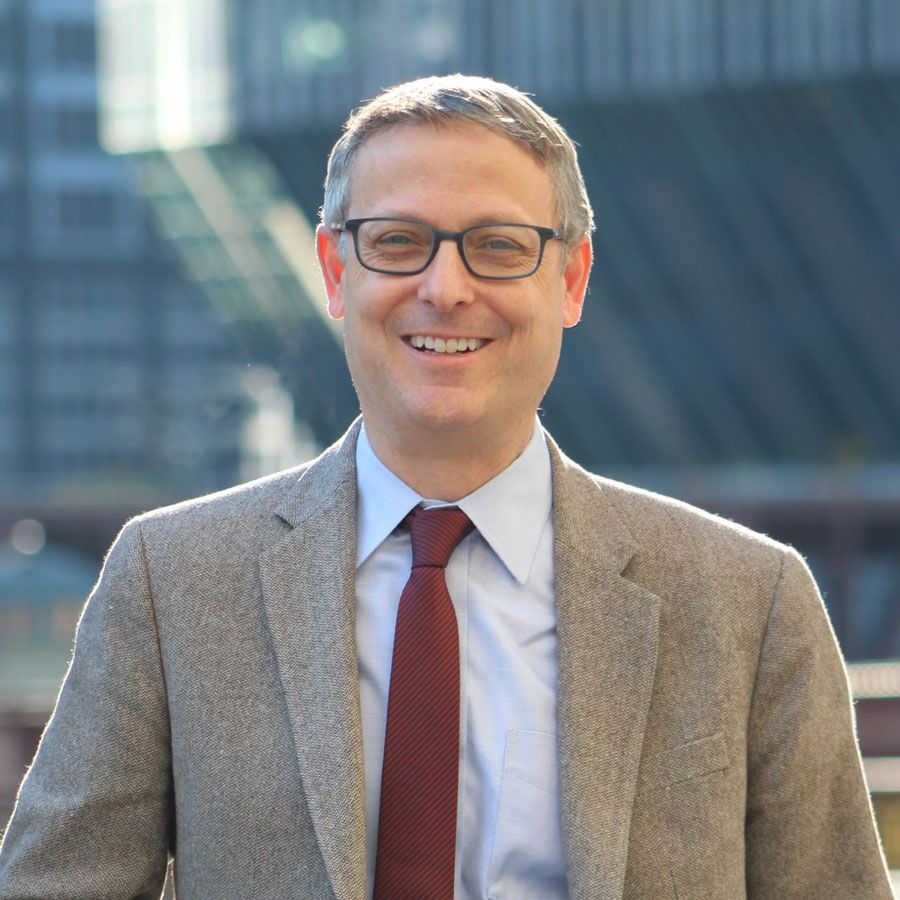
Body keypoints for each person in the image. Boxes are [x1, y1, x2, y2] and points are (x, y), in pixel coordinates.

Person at [0, 74, 892, 900]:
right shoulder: (173, 580)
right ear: (334, 270)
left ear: (571, 278)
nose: (446, 288)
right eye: (398, 243)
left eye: (499, 247)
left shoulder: (751, 601)